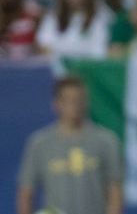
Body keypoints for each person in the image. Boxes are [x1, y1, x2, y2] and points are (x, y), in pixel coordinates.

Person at [16, 76, 123, 214]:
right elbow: (26, 192)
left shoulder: (107, 141)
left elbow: (114, 190)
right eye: (69, 100)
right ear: (56, 104)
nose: (75, 106)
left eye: (79, 100)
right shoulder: (39, 143)